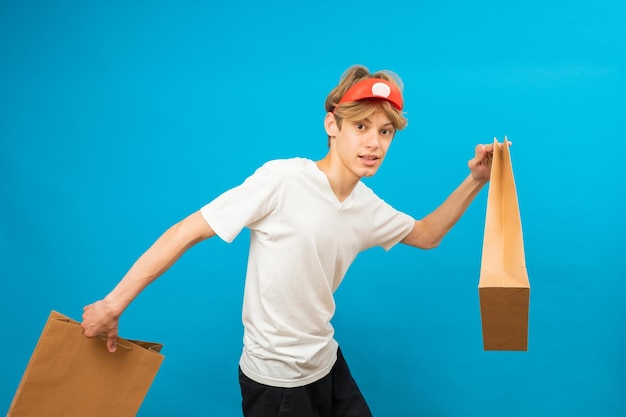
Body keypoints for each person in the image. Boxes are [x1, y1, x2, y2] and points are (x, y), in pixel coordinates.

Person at [81, 64, 498, 417]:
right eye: (361, 126)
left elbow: (426, 235)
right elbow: (186, 231)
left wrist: (476, 180)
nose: (374, 143)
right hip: (275, 382)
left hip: (326, 364)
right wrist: (113, 303)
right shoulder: (283, 180)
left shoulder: (365, 205)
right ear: (332, 125)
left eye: (386, 132)